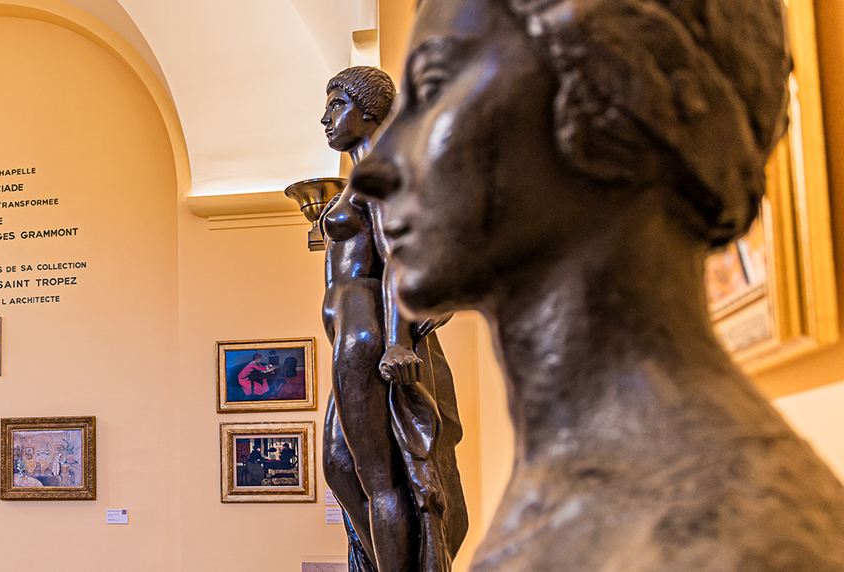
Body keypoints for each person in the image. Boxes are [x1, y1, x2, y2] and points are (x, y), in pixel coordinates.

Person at [352, 0, 844, 568]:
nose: (371, 171)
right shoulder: (584, 485)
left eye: (433, 85)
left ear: (612, 88)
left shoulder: (729, 539)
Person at [317, 65, 466, 572]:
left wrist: (398, 341)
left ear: (369, 110)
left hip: (366, 325)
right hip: (351, 328)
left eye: (337, 105)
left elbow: (396, 254)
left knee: (382, 479)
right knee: (340, 467)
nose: (325, 118)